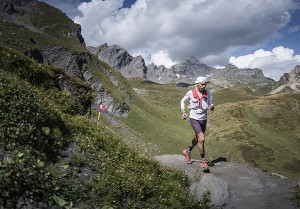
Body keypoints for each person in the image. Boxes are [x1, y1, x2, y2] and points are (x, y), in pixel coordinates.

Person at [180, 76, 214, 170]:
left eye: (205, 84)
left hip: (204, 119)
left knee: (198, 138)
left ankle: (187, 151)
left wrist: (211, 107)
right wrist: (183, 112)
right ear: (197, 84)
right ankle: (203, 161)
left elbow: (210, 103)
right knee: (202, 139)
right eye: (202, 84)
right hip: (194, 119)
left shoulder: (208, 93)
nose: (204, 86)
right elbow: (182, 101)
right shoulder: (190, 93)